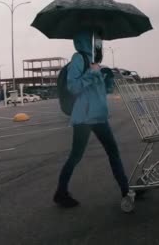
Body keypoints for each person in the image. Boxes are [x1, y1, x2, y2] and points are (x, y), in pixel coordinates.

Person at [53, 30, 135, 210]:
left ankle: (126, 190)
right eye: (96, 40)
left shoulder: (94, 61)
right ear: (86, 41)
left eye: (100, 41)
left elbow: (100, 92)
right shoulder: (78, 59)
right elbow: (73, 87)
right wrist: (91, 73)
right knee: (76, 155)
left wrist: (106, 80)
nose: (100, 44)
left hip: (98, 115)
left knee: (112, 152)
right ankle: (61, 193)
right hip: (84, 117)